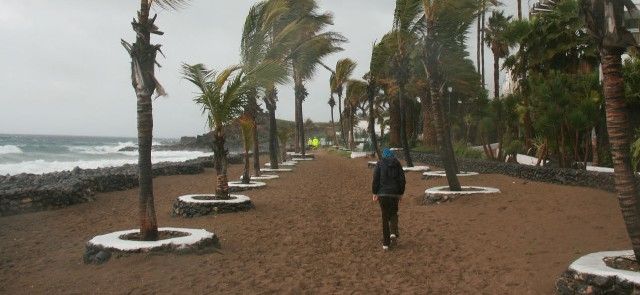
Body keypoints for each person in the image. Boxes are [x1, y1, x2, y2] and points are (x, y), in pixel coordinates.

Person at [371, 148, 406, 251]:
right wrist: (400, 193)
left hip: (383, 194)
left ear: (383, 155)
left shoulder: (379, 163)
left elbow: (375, 179)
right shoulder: (397, 164)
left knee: (384, 217)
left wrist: (375, 192)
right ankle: (393, 232)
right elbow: (402, 180)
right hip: (395, 194)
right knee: (394, 212)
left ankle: (386, 243)